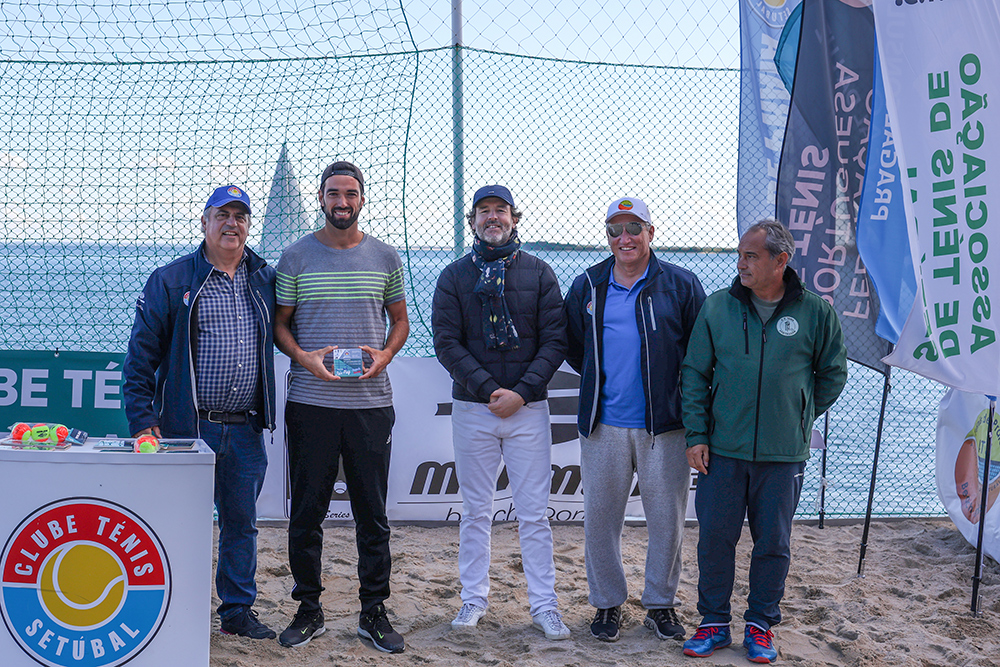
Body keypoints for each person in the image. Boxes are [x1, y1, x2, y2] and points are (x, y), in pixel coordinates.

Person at [680, 220, 847, 664]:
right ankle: (713, 623)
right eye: (740, 255)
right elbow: (694, 374)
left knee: (773, 542)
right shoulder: (718, 308)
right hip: (723, 450)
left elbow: (832, 375)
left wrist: (796, 414)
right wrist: (697, 435)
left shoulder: (816, 312)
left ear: (781, 261)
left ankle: (760, 626)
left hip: (783, 455)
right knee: (715, 539)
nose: (742, 264)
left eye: (751, 256)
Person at [123, 185, 277, 639]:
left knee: (241, 526)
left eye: (241, 216)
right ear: (205, 223)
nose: (232, 224)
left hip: (245, 428)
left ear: (249, 226)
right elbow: (140, 360)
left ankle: (236, 614)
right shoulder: (170, 280)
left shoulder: (265, 279)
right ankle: (174, 607)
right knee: (178, 523)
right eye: (222, 215)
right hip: (188, 430)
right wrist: (142, 420)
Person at [273, 161, 409, 654]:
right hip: (311, 404)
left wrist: (387, 354)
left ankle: (373, 611)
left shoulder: (386, 257)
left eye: (350, 193)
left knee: (372, 515)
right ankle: (309, 610)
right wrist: (303, 357)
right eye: (333, 193)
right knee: (306, 514)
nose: (342, 202)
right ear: (322, 198)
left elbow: (400, 321)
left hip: (371, 405)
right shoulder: (295, 257)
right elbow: (280, 325)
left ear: (362, 199)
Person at [432, 184, 571, 640]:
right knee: (475, 511)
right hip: (474, 409)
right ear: (472, 221)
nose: (493, 218)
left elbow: (556, 341)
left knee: (533, 514)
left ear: (515, 218)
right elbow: (446, 343)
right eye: (484, 211)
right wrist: (492, 390)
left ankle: (545, 607)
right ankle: (473, 601)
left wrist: (523, 393)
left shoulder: (539, 272)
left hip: (528, 411)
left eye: (501, 211)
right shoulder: (454, 276)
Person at [564, 196, 706, 643]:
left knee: (667, 519)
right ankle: (608, 604)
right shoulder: (588, 284)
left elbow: (701, 354)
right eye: (614, 230)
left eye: (633, 228)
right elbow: (574, 346)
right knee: (601, 519)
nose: (623, 238)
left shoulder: (680, 285)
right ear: (607, 236)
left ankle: (660, 605)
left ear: (650, 232)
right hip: (603, 424)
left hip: (664, 426)